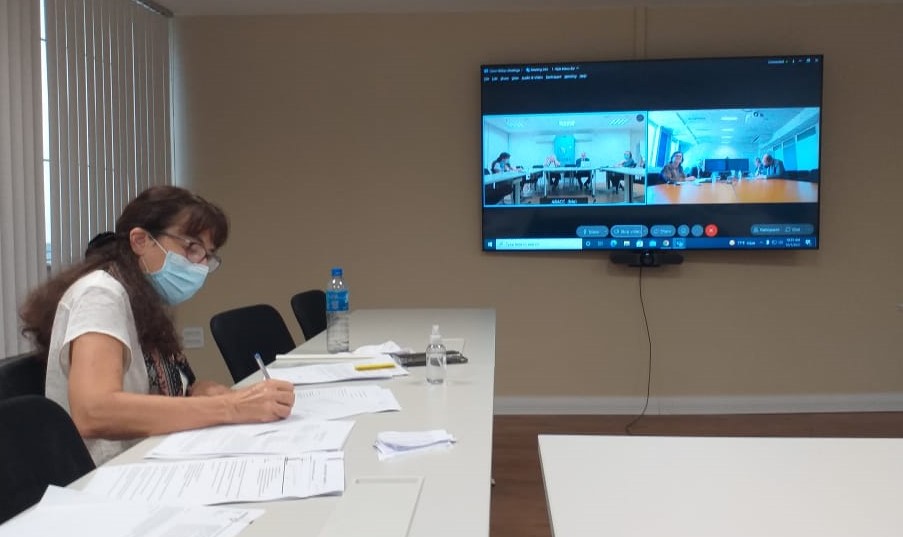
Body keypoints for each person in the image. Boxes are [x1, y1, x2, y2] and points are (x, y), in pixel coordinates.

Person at [19, 185, 296, 465]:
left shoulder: (142, 298)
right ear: (140, 240)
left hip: (152, 454)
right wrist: (229, 407)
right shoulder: (100, 295)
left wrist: (197, 390)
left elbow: (161, 384)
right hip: (110, 472)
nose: (200, 265)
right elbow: (94, 411)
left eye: (207, 255)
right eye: (192, 248)